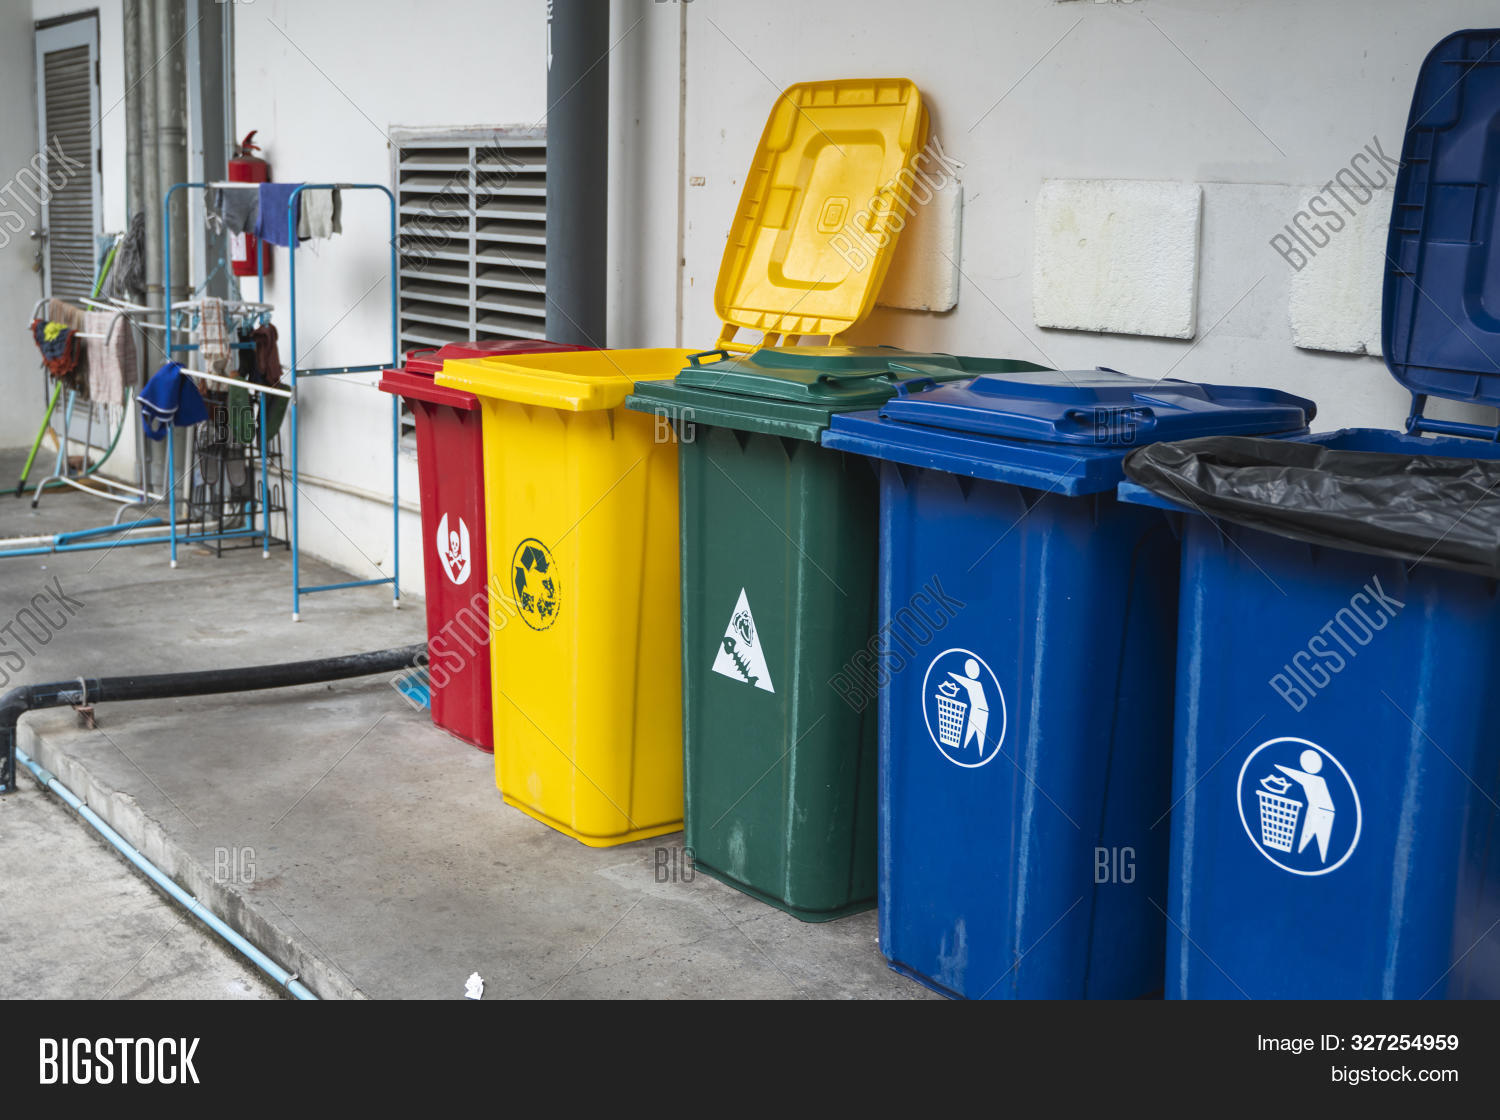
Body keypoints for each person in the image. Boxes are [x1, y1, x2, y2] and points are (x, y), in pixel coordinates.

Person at [1276, 749, 1336, 862]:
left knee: (1321, 845)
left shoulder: (1316, 780)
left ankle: (1315, 860)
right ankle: (1301, 858)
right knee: (1304, 844)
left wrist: (1279, 767)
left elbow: (1297, 775)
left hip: (1324, 812)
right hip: (1316, 809)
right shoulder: (1317, 780)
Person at [947, 659, 990, 759]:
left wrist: (951, 674)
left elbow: (963, 681)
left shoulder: (975, 684)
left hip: (980, 711)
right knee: (970, 735)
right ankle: (966, 751)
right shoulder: (976, 684)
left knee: (978, 737)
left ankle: (973, 753)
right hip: (979, 710)